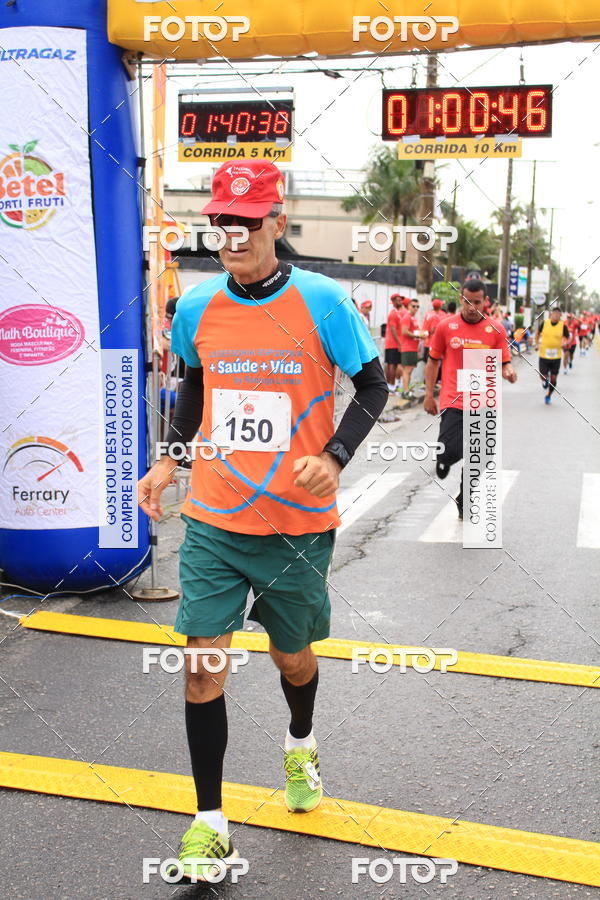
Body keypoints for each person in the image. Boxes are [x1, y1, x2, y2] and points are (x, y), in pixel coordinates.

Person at [137, 160, 388, 883]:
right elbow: (194, 384)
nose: (233, 236)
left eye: (247, 223)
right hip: (214, 521)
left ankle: (301, 740)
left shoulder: (324, 301)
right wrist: (168, 462)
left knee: (292, 658)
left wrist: (336, 457)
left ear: (277, 222)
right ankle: (209, 824)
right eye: (223, 223)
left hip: (296, 525)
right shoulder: (199, 307)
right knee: (200, 669)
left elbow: (371, 385)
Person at [424, 279, 517, 518]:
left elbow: (504, 361)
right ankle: (443, 459)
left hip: (484, 401)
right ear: (461, 299)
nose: (471, 307)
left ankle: (465, 494)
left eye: (477, 302)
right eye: (467, 301)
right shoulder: (446, 327)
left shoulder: (496, 329)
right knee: (450, 450)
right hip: (453, 399)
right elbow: (433, 361)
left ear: (485, 302)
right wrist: (428, 395)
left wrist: (507, 371)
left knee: (483, 454)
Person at [535, 307, 569, 404]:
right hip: (544, 355)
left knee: (554, 378)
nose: (556, 315)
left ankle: (548, 395)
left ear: (560, 315)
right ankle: (545, 380)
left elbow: (568, 338)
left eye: (558, 314)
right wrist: (537, 344)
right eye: (555, 313)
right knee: (542, 376)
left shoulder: (563, 326)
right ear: (551, 314)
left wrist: (565, 343)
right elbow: (537, 334)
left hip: (556, 357)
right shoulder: (545, 323)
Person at [400, 297, 422, 397]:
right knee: (407, 371)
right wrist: (417, 335)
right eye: (413, 306)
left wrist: (421, 334)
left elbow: (414, 331)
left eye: (417, 306)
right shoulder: (407, 317)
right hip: (408, 348)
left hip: (413, 348)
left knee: (410, 370)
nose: (416, 308)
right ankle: (405, 391)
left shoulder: (413, 318)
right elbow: (404, 332)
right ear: (409, 306)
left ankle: (407, 390)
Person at [384, 293, 404, 391]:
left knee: (392, 364)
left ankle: (390, 385)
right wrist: (399, 343)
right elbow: (393, 329)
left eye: (401, 300)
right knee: (392, 365)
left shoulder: (396, 313)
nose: (400, 301)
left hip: (392, 344)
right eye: (398, 300)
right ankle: (391, 386)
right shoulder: (393, 313)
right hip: (393, 344)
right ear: (393, 302)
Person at [422, 298, 444, 364]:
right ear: (440, 306)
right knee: (434, 365)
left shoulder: (428, 314)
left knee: (426, 364)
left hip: (426, 342)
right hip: (434, 343)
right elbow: (433, 329)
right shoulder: (439, 315)